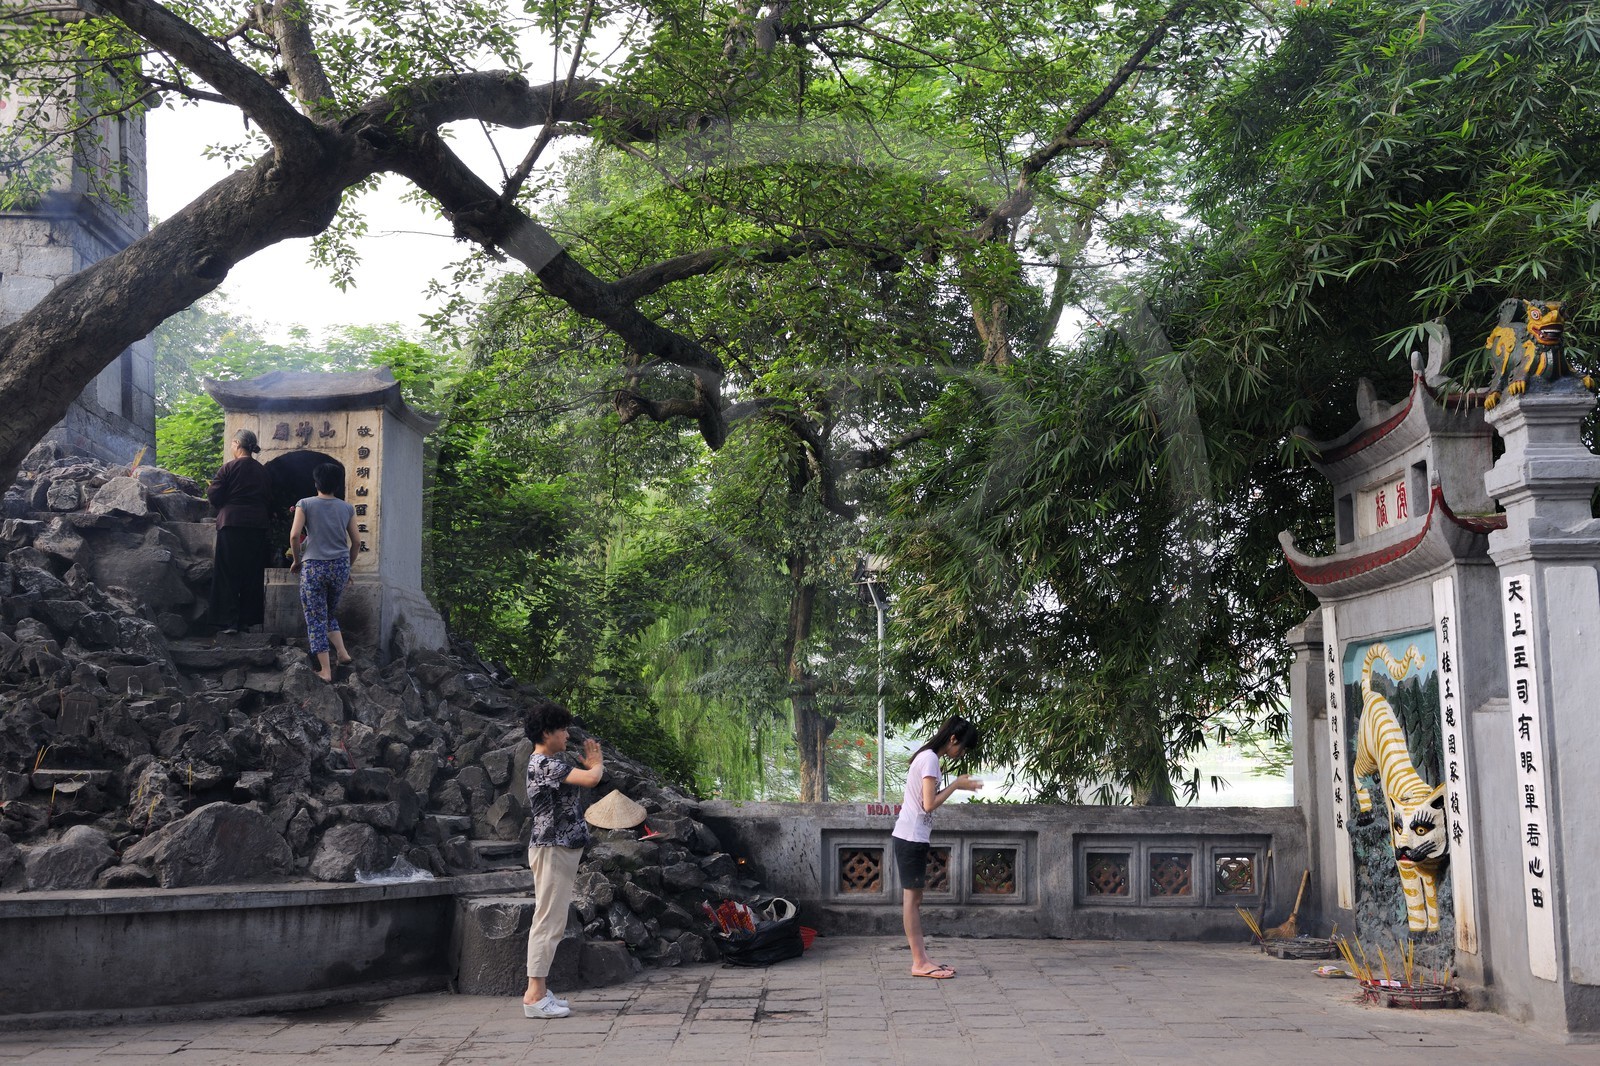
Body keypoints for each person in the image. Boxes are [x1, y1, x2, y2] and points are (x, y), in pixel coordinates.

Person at [522, 701, 603, 1019]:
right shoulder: (543, 764)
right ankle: (534, 994)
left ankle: (539, 989)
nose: (567, 734)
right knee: (549, 920)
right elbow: (591, 779)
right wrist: (596, 763)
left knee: (551, 919)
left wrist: (593, 767)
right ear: (547, 733)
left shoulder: (548, 762)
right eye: (562, 729)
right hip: (552, 849)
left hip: (559, 848)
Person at [891, 715, 983, 979]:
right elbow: (928, 804)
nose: (961, 753)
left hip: (912, 836)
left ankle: (922, 959)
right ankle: (919, 962)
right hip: (910, 837)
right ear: (952, 739)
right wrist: (956, 784)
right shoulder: (930, 759)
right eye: (962, 747)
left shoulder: (927, 757)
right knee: (912, 902)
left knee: (914, 900)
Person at [287, 463, 359, 682]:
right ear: (337, 484)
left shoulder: (305, 504)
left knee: (315, 617)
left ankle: (325, 671)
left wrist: (297, 561)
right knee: (327, 612)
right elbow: (356, 541)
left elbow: (294, 535)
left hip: (314, 566)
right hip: (339, 566)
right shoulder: (347, 508)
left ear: (316, 482)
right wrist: (348, 567)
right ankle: (343, 653)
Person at [206, 428, 273, 635]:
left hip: (231, 523)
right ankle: (246, 621)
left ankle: (229, 622)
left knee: (228, 572)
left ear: (236, 444)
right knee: (252, 573)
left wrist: (225, 504)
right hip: (257, 526)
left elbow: (214, 494)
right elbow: (270, 499)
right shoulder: (263, 471)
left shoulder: (228, 468)